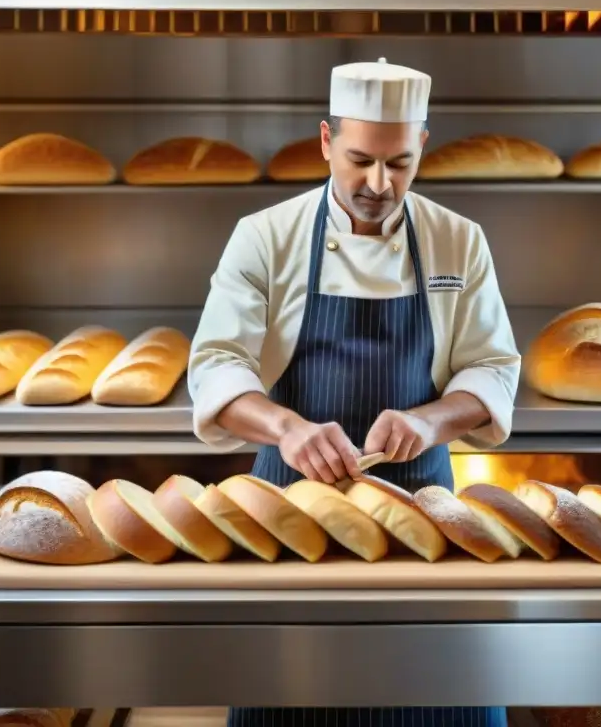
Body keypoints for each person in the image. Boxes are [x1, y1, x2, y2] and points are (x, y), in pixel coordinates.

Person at [189, 58, 520, 727]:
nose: (378, 183)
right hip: (288, 508)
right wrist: (286, 428)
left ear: (422, 143)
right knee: (290, 699)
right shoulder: (266, 236)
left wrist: (430, 422)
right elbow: (217, 362)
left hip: (421, 509)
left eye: (398, 163)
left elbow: (492, 366)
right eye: (359, 159)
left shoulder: (460, 239)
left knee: (437, 698)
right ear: (325, 141)